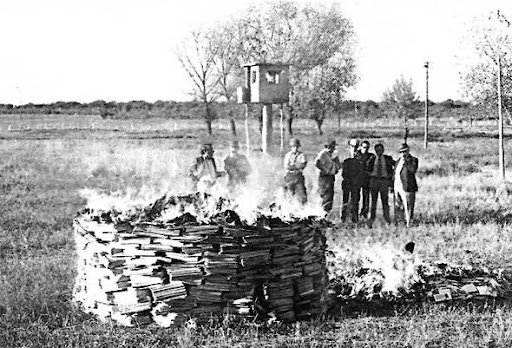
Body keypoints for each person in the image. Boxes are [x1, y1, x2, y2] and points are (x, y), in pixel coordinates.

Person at [367, 143, 395, 226]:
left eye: (379, 150)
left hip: (384, 181)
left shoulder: (388, 158)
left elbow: (395, 166)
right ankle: (371, 219)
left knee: (385, 201)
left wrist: (390, 177)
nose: (378, 152)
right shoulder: (372, 158)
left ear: (383, 150)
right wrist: (371, 175)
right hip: (374, 181)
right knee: (373, 202)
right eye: (376, 150)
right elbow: (367, 168)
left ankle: (387, 220)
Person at [393, 143, 419, 227]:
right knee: (398, 205)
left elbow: (413, 170)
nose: (403, 154)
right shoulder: (397, 161)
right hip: (397, 185)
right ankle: (400, 222)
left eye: (404, 151)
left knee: (408, 206)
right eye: (401, 152)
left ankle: (409, 223)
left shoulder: (413, 160)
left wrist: (406, 163)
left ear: (408, 151)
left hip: (407, 186)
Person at [341, 139, 366, 223]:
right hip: (347, 182)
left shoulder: (360, 156)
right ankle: (344, 218)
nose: (354, 148)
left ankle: (354, 219)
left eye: (356, 146)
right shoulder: (345, 155)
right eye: (353, 146)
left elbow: (361, 170)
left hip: (356, 183)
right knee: (345, 200)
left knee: (355, 201)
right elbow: (343, 171)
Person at [314, 140, 342, 212]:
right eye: (333, 146)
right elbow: (317, 163)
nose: (334, 148)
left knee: (330, 195)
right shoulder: (323, 153)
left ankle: (327, 212)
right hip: (324, 177)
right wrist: (325, 170)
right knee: (325, 195)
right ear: (329, 147)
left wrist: (336, 164)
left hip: (330, 177)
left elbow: (338, 166)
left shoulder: (332, 154)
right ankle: (322, 213)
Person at [284, 138, 308, 204]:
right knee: (290, 194)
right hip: (290, 176)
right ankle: (289, 209)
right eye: (294, 147)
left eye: (297, 147)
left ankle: (303, 209)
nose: (295, 148)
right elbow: (288, 167)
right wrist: (297, 166)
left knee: (302, 193)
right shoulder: (288, 155)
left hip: (298, 176)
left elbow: (303, 164)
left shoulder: (302, 155)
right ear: (291, 147)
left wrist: (294, 166)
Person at [355, 140, 374, 218]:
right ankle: (355, 213)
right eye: (364, 147)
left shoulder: (371, 156)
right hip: (357, 179)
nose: (365, 149)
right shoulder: (356, 155)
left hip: (367, 179)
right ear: (361, 147)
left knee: (366, 198)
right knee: (356, 197)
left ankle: (364, 213)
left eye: (367, 147)